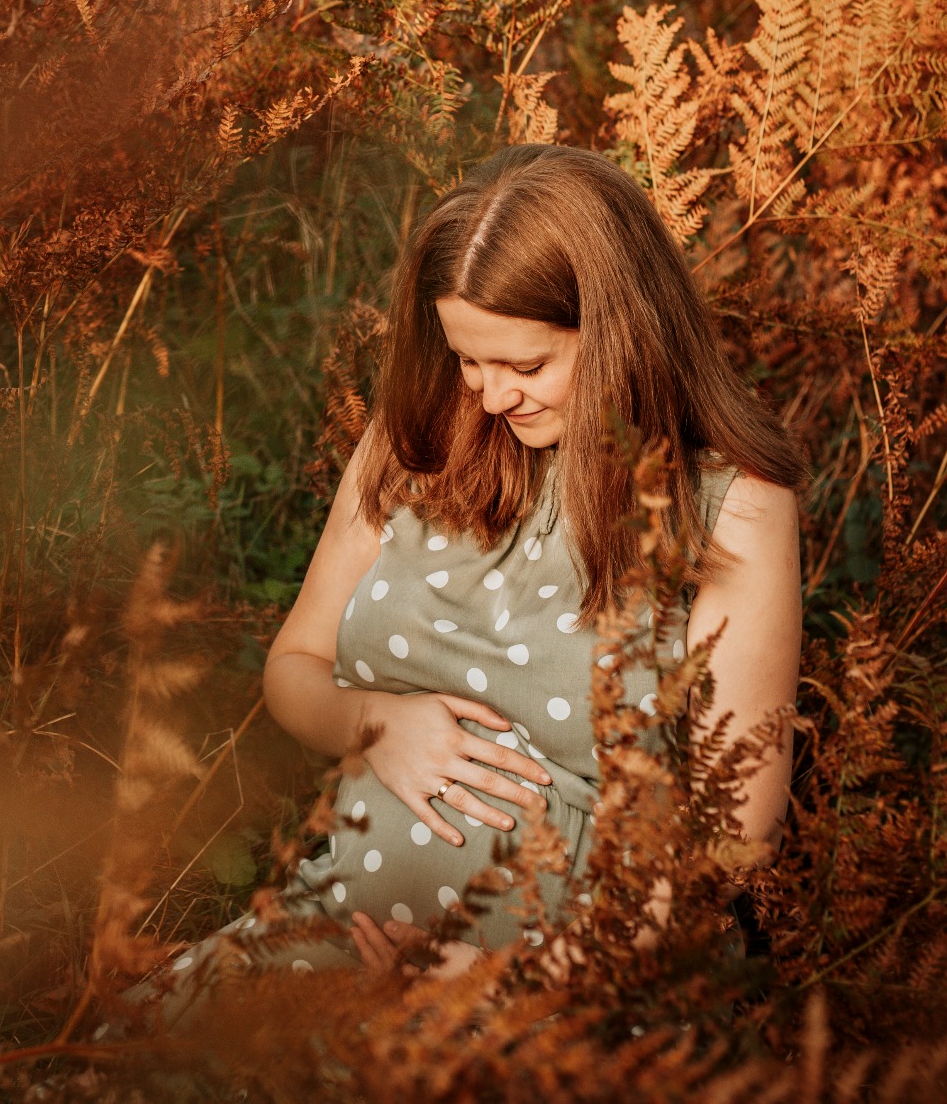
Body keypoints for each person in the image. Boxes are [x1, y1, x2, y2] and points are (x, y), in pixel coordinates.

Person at [141, 144, 804, 1013]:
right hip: (337, 931)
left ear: (621, 333)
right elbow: (291, 667)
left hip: (575, 988)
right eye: (467, 359)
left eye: (527, 366)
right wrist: (375, 722)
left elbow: (733, 844)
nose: (492, 397)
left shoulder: (731, 507)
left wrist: (514, 980)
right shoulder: (412, 441)